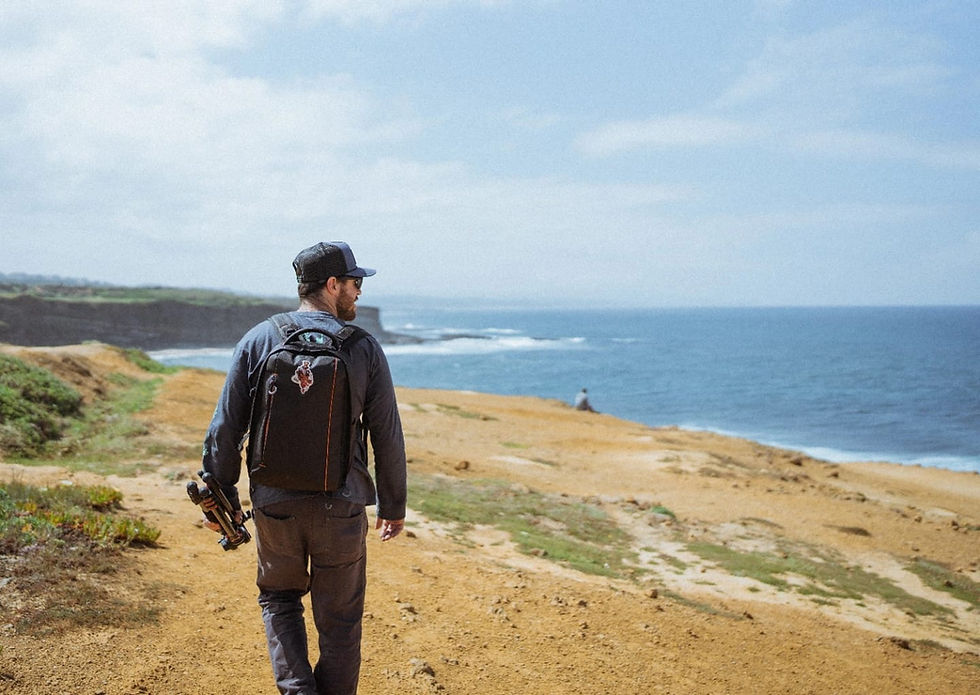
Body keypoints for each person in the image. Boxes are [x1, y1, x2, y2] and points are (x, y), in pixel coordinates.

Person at [200, 241, 407, 695]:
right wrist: (393, 507)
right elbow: (386, 431)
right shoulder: (363, 348)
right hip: (342, 506)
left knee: (279, 599)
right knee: (341, 622)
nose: (358, 292)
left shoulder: (260, 338)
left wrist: (223, 498)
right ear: (332, 285)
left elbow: (225, 428)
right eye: (354, 282)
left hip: (274, 504)